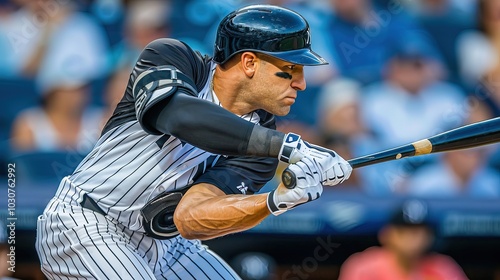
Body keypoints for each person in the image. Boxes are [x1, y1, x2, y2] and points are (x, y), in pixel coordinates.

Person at [35, 5, 352, 279]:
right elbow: (179, 115)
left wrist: (277, 200)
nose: (301, 83)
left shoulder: (262, 137)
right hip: (85, 221)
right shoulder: (173, 57)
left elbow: (191, 217)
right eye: (290, 69)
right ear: (250, 63)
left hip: (167, 246)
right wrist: (287, 146)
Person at [338, 200, 468, 280]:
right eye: (403, 231)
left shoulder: (442, 267)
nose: (411, 238)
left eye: (418, 232)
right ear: (386, 234)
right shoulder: (363, 267)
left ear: (429, 237)